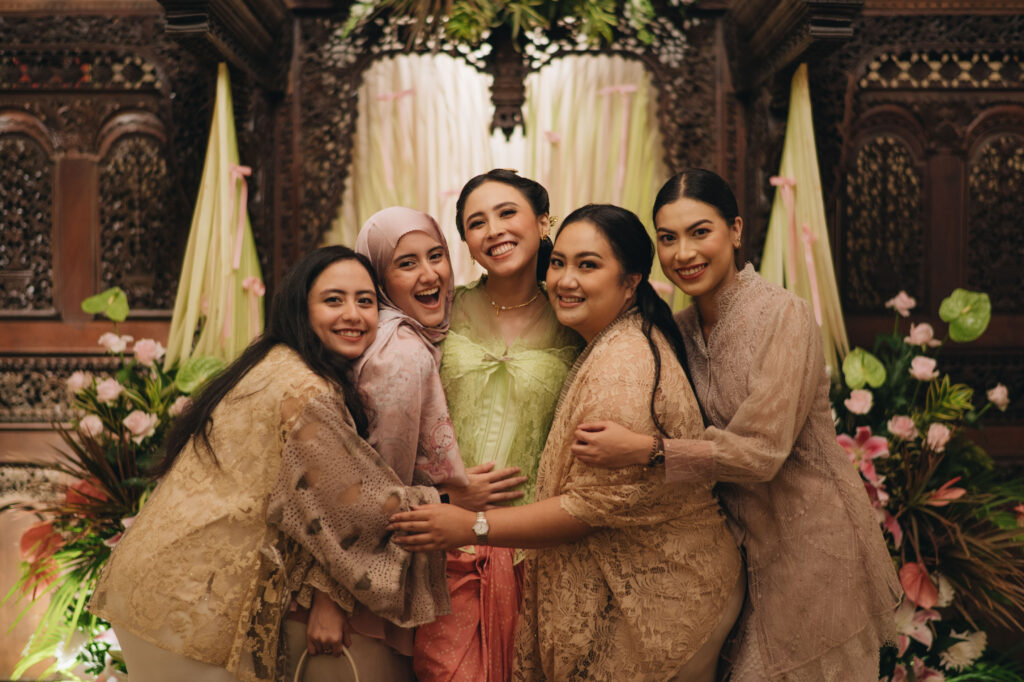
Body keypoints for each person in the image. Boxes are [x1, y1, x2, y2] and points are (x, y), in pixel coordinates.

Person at [570, 169, 902, 680]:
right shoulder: (679, 329)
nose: (683, 253)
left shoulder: (783, 316)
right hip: (733, 560)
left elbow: (760, 454)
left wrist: (646, 450)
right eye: (668, 238)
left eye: (700, 232)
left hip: (810, 551)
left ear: (736, 230)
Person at [390, 204, 744, 682]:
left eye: (588, 265)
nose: (566, 280)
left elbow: (586, 508)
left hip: (663, 606)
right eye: (559, 263)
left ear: (631, 282)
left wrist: (471, 525)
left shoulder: (623, 369)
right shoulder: (604, 338)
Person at [89, 246, 450, 682]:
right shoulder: (306, 391)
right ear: (301, 307)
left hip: (159, 581)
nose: (353, 315)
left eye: (365, 301)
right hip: (191, 602)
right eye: (333, 300)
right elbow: (357, 507)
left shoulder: (273, 360)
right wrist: (450, 503)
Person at [282, 208, 472, 681]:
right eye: (406, 263)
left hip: (386, 563)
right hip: (366, 582)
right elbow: (361, 498)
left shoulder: (393, 336)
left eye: (436, 256)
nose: (429, 274)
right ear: (382, 278)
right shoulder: (399, 355)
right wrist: (330, 598)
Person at [411, 169, 581, 682]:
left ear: (543, 221)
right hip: (446, 542)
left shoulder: (575, 312)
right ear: (465, 241)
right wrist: (442, 493)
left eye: (507, 213)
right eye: (477, 223)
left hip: (540, 546)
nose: (494, 230)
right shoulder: (441, 310)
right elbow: (395, 419)